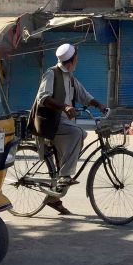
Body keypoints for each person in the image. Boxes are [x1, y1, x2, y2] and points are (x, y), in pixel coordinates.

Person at [35, 43, 108, 215]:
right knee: (78, 133)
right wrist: (64, 107)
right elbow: (42, 98)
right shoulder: (52, 74)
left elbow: (84, 95)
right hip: (51, 123)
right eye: (77, 57)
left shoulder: (70, 77)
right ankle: (64, 176)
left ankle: (54, 197)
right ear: (73, 59)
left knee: (78, 138)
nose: (78, 60)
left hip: (63, 124)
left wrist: (99, 105)